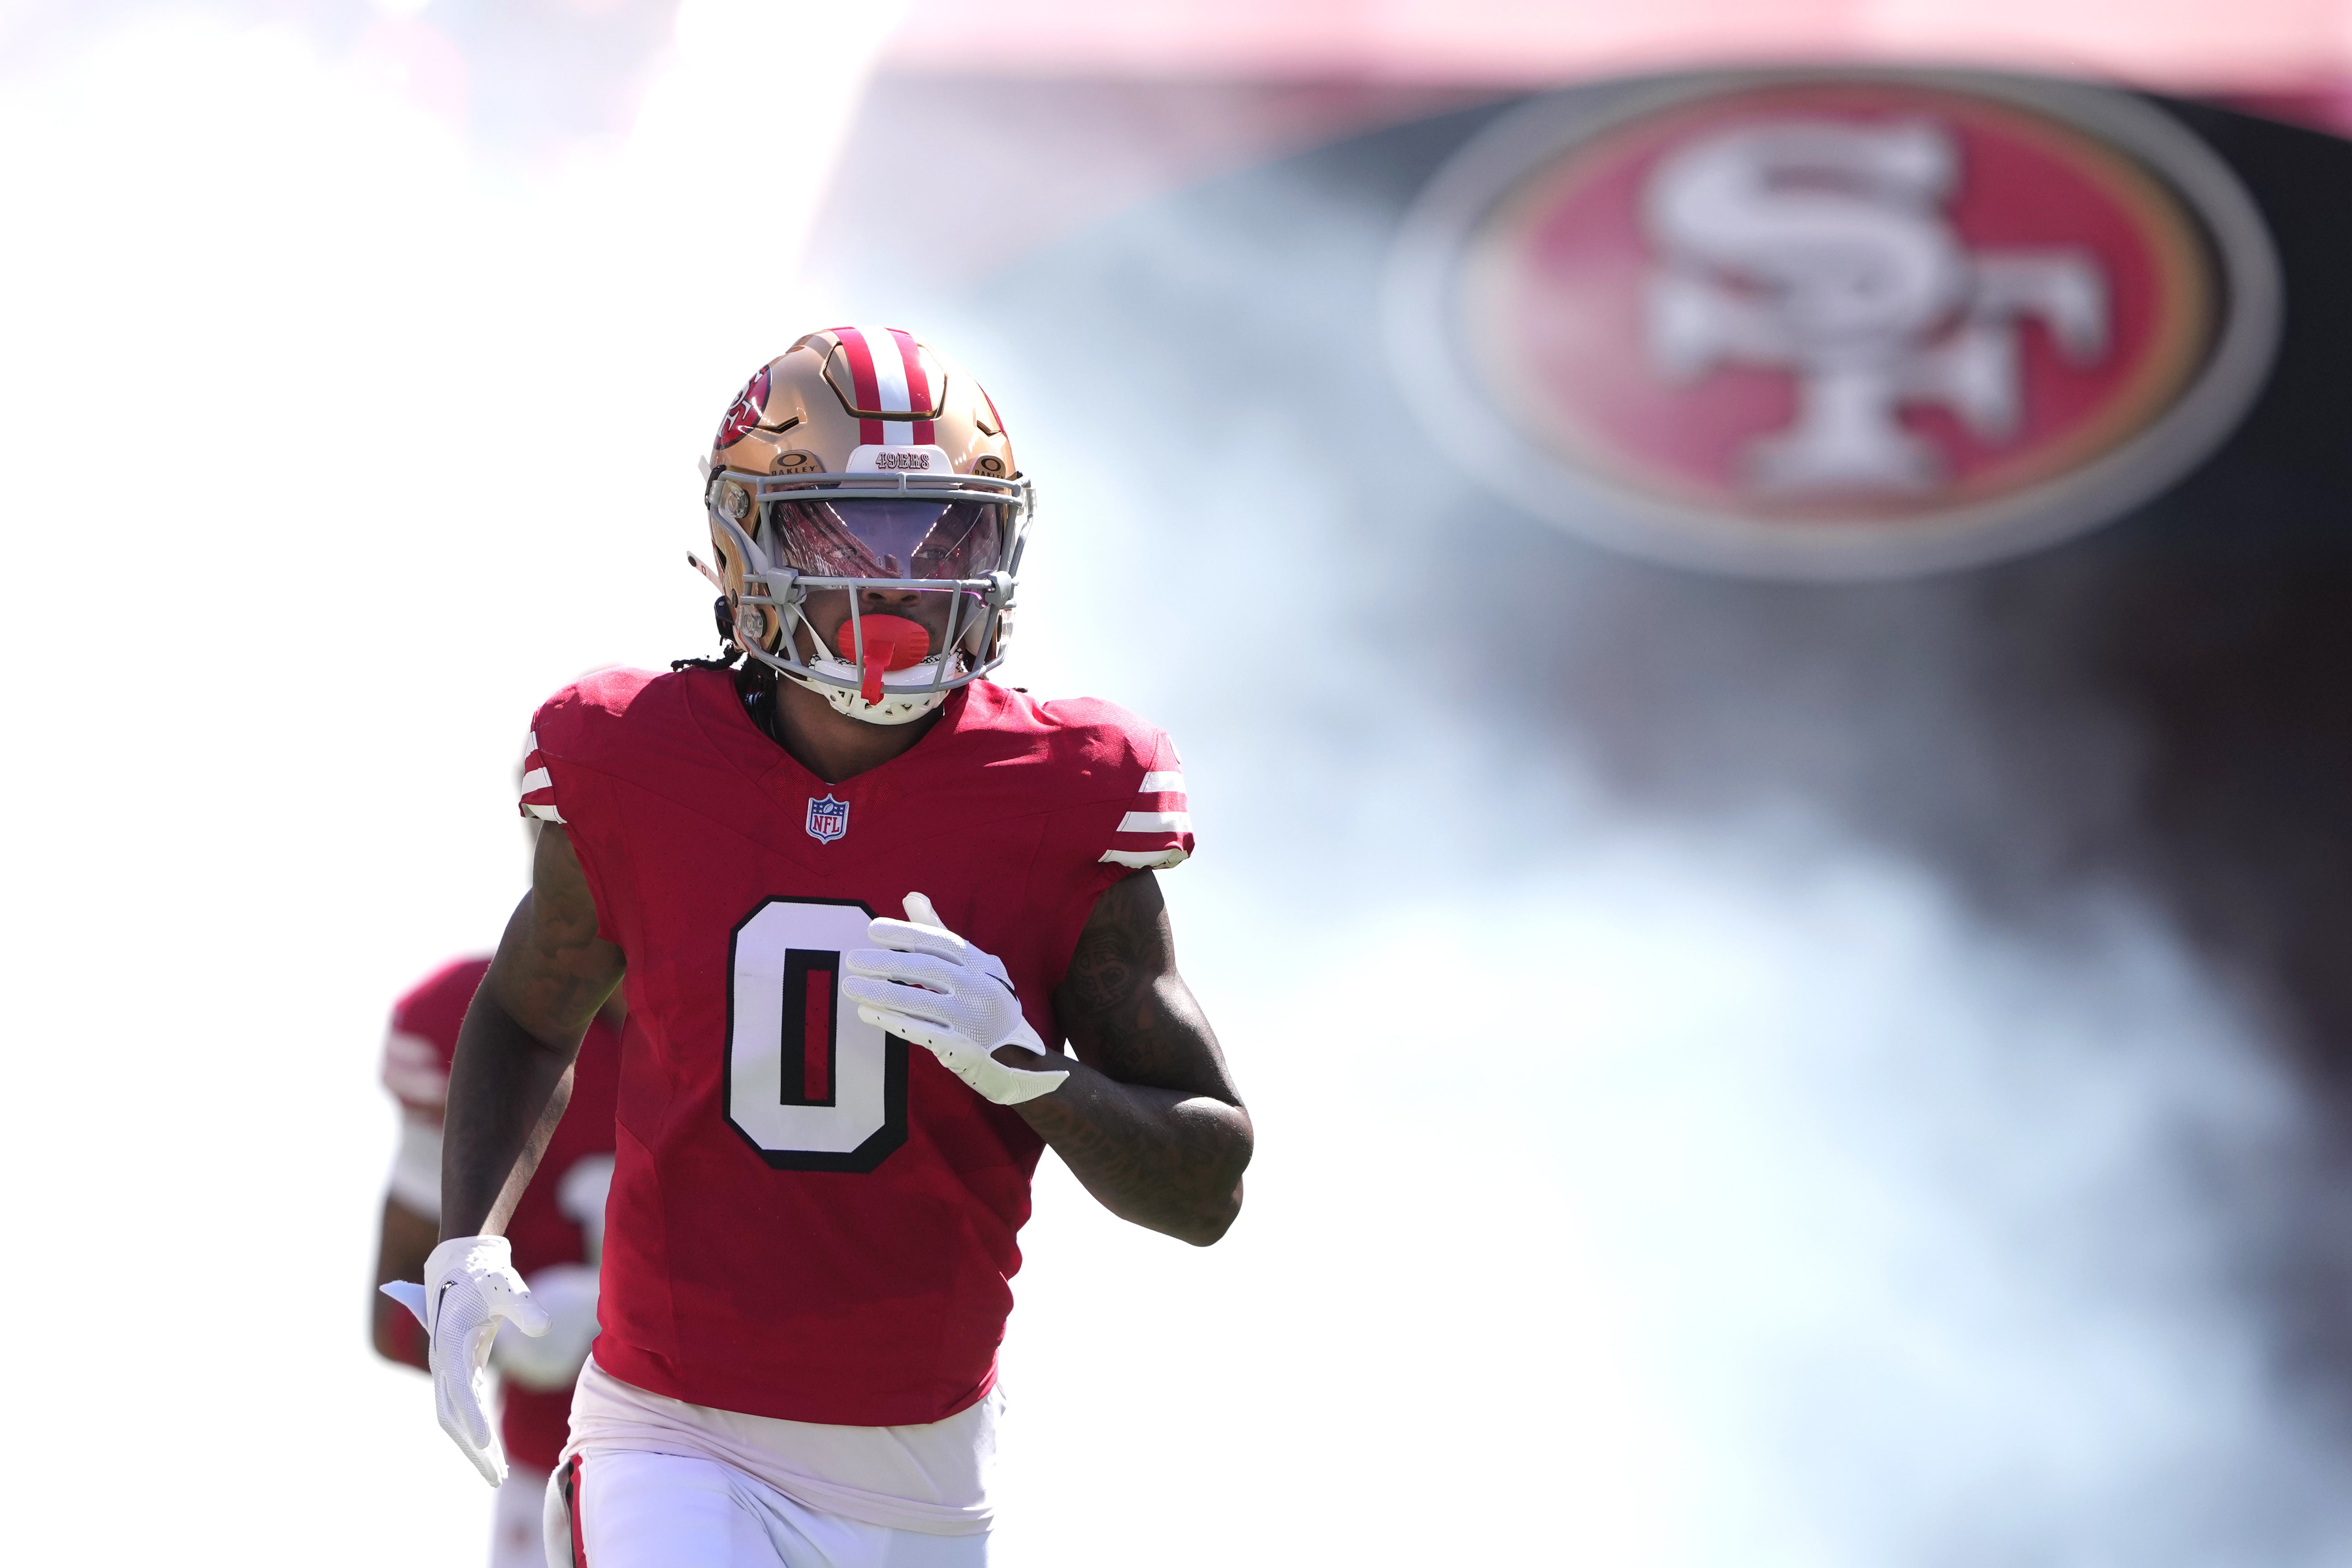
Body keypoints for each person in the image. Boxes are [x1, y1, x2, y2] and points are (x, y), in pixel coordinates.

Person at [385, 326, 1254, 1568]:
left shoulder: (1069, 788)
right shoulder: (631, 754)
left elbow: (1207, 1184)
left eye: (943, 533)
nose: (899, 580)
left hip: (924, 1460)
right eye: (845, 530)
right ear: (745, 543)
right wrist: (470, 1238)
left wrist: (1032, 1074)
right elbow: (533, 1010)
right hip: (667, 1426)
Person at [372, 957, 625, 1568]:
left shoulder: (770, 1002)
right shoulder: (460, 1023)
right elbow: (392, 1313)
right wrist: (498, 1334)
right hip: (556, 1482)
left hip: (774, 1468)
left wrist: (625, 1307)